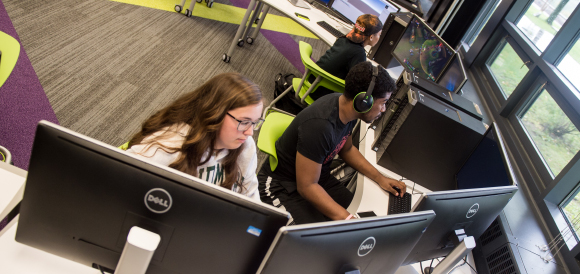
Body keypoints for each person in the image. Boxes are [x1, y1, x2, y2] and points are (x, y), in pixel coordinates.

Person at [258, 61, 406, 225]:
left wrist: (380, 178)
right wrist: (347, 219)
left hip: (316, 177)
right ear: (364, 101)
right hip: (281, 186)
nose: (384, 109)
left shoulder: (345, 110)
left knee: (361, 212)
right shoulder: (320, 126)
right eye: (383, 102)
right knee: (315, 242)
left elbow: (347, 149)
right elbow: (306, 187)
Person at [126, 73, 264, 201]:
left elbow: (250, 198)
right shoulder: (169, 146)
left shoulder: (245, 145)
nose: (250, 132)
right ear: (215, 114)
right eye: (244, 122)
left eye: (255, 122)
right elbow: (118, 178)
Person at [309, 14, 383, 101]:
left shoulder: (343, 39)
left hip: (310, 83)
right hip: (321, 96)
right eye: (379, 35)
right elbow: (355, 83)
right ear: (371, 37)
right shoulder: (359, 53)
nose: (379, 38)